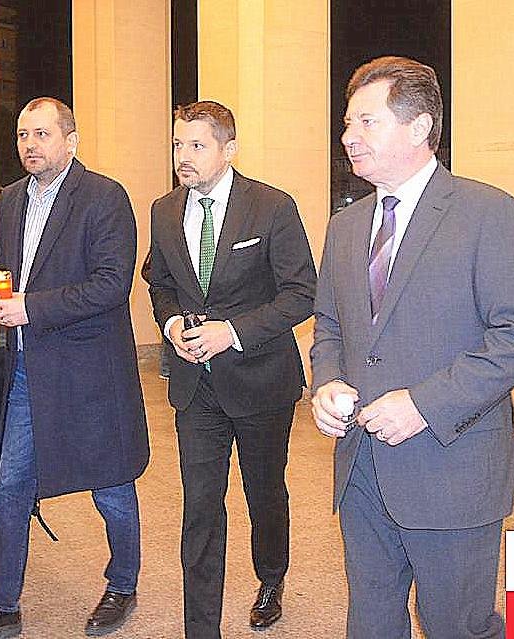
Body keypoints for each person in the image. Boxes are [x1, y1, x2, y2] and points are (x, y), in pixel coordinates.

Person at [310, 56, 514, 639]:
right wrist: (327, 381)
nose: (349, 137)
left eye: (366, 122)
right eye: (347, 123)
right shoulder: (346, 225)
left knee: (456, 625)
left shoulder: (490, 213)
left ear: (419, 126)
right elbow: (330, 325)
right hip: (361, 466)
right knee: (371, 620)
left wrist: (423, 404)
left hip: (453, 468)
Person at [0, 97, 150, 639]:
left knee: (111, 486)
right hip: (25, 369)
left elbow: (111, 285)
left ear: (71, 140)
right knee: (10, 486)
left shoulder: (105, 196)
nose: (29, 145)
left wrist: (29, 308)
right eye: (22, 135)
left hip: (89, 372)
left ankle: (122, 584)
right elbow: (7, 268)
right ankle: (3, 606)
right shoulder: (12, 198)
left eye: (42, 134)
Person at [147, 100, 317, 637]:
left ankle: (271, 578)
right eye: (178, 144)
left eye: (197, 145)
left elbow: (301, 293)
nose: (184, 155)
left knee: (264, 492)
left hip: (261, 380)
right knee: (200, 506)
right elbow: (160, 283)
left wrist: (232, 332)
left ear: (229, 149)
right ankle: (202, 628)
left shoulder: (271, 207)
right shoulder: (163, 210)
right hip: (195, 386)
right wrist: (172, 324)